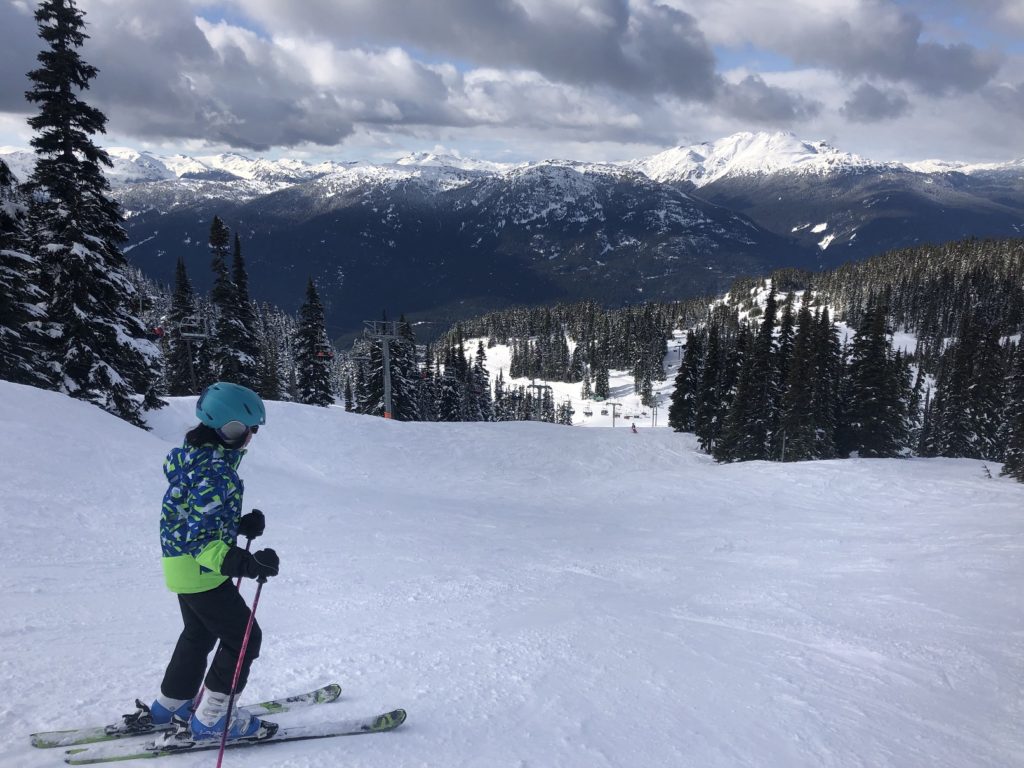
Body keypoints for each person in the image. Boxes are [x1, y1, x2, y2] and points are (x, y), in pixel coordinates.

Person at [125, 382, 279, 742]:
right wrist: (246, 563)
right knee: (245, 638)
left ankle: (170, 705)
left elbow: (193, 517)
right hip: (201, 571)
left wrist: (238, 526)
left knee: (198, 634)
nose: (249, 437)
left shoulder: (195, 459)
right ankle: (211, 719)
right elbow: (201, 540)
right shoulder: (213, 471)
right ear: (228, 430)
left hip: (180, 567)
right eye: (246, 430)